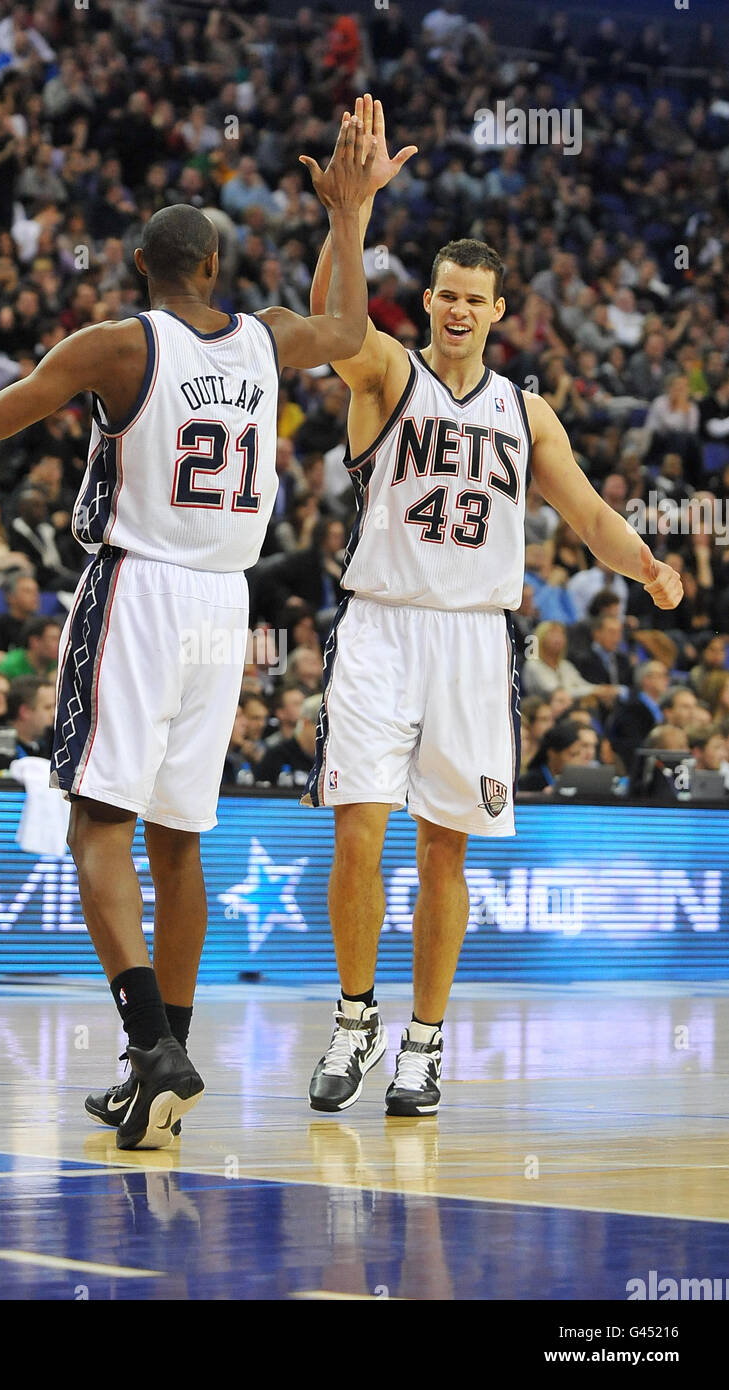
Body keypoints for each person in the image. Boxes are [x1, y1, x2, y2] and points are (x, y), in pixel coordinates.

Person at [0, 108, 380, 1149]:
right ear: (219, 266)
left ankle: (151, 1045)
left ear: (142, 263)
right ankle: (165, 1064)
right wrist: (350, 217)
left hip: (137, 590)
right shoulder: (271, 337)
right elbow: (353, 333)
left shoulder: (115, 344)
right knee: (181, 839)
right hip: (224, 608)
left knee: (97, 822)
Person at [301, 95, 682, 1119]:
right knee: (357, 833)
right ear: (426, 301)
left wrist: (649, 565)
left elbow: (593, 514)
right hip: (379, 624)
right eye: (447, 295)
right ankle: (352, 1018)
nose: (460, 310)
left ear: (500, 311)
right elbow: (327, 325)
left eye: (478, 299)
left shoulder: (528, 411)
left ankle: (423, 1043)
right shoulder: (383, 371)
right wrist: (352, 217)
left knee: (444, 848)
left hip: (476, 638)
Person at [0, 615, 60, 679]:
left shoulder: (58, 663)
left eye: (60, 638)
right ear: (35, 642)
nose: (59, 644)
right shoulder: (9, 666)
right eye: (53, 639)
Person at [7, 674, 55, 758]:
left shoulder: (50, 746)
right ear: (25, 712)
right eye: (47, 708)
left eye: (55, 707)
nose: (54, 714)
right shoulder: (4, 753)